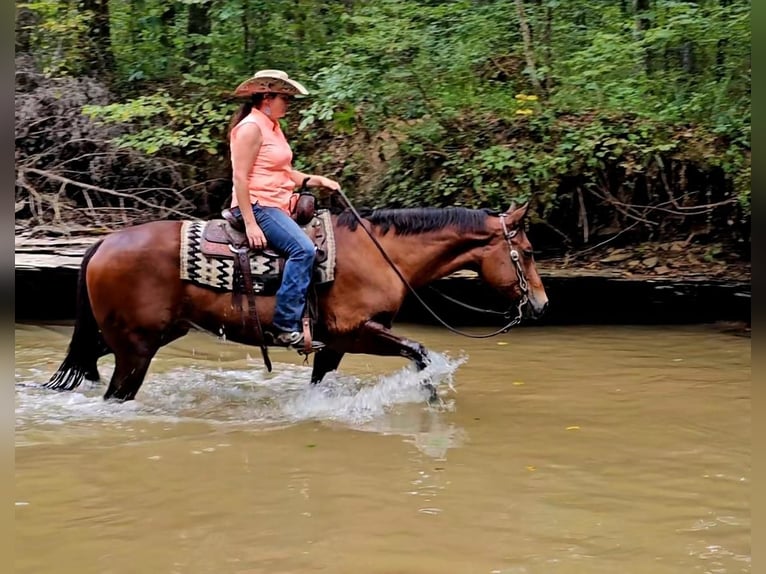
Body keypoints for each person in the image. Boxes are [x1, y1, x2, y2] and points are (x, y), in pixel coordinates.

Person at [227, 69, 340, 349]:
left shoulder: (273, 127)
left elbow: (284, 171)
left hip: (278, 202)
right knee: (303, 250)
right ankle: (285, 325)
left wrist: (316, 179)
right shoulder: (251, 127)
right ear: (267, 97)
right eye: (284, 98)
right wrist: (252, 223)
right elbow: (240, 178)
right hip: (257, 204)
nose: (288, 104)